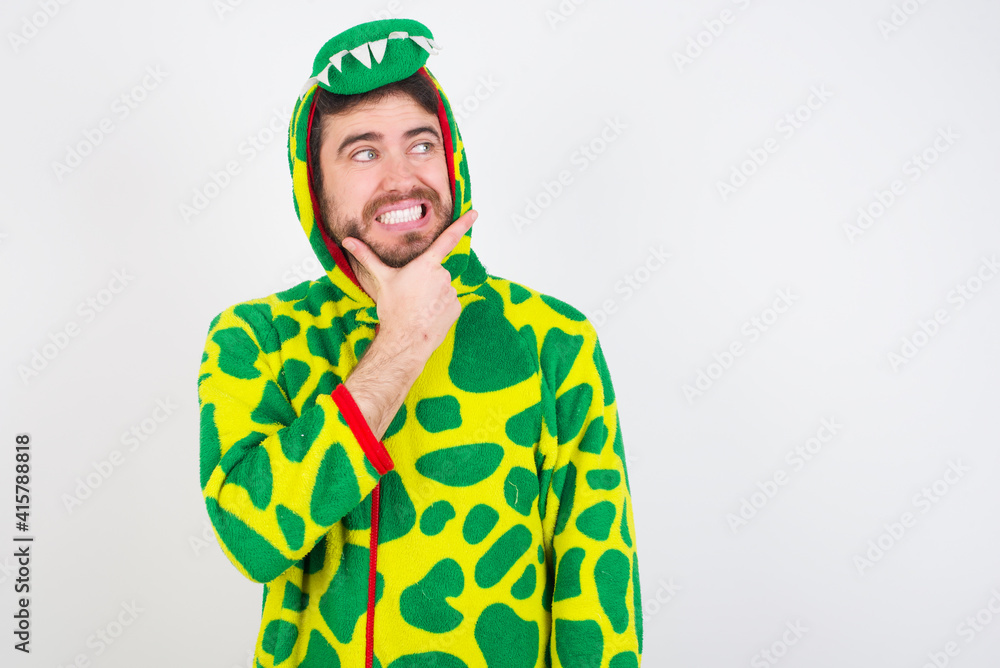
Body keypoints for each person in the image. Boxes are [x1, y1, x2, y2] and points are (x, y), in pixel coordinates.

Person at [197, 17, 642, 668]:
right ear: (314, 188)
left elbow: (597, 592)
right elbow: (252, 540)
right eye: (364, 152)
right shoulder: (256, 340)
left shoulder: (553, 339)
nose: (403, 178)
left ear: (452, 157)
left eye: (421, 144)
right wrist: (401, 343)